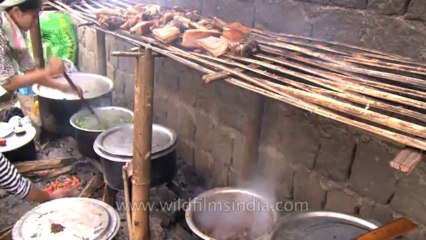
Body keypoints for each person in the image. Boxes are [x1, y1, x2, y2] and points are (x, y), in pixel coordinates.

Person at [0, 0, 76, 202]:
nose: (36, 22)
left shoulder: (15, 32)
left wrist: (65, 87)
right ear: (16, 11)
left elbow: (31, 72)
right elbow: (7, 83)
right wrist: (48, 197)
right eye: (34, 15)